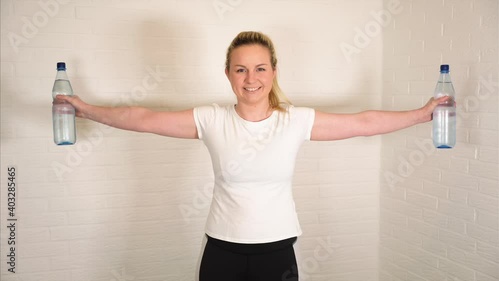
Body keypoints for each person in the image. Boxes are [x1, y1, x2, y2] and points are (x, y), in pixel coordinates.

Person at [55, 31, 449, 281]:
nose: (251, 79)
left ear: (274, 72)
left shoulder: (294, 121)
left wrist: (421, 114)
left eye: (260, 68)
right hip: (221, 250)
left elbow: (363, 122)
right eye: (241, 70)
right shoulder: (210, 119)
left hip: (277, 250)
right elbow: (141, 117)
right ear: (228, 74)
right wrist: (85, 109)